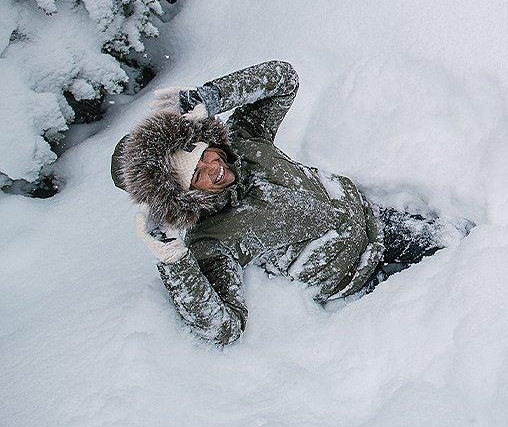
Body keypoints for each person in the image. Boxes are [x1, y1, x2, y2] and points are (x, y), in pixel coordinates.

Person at [111, 60, 471, 345]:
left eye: (203, 155)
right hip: (358, 278)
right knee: (444, 317)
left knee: (468, 249)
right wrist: (175, 262)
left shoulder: (244, 139)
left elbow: (284, 79)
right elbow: (224, 327)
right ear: (183, 195)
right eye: (196, 175)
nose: (214, 167)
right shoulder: (213, 238)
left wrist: (215, 96)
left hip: (376, 219)